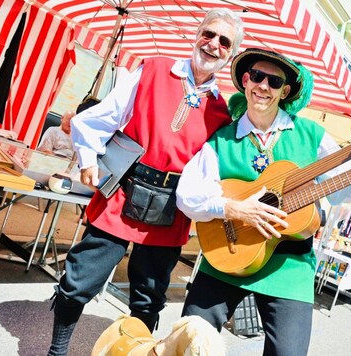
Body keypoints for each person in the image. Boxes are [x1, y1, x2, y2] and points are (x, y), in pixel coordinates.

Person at [46, 9, 244, 356]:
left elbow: (216, 172)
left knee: (148, 299)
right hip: (122, 193)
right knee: (79, 282)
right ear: (197, 34)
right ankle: (56, 352)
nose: (213, 45)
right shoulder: (153, 69)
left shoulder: (221, 112)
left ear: (231, 54)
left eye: (224, 42)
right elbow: (105, 115)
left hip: (171, 209)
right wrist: (89, 160)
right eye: (208, 34)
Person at [176, 48, 351, 355]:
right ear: (245, 81)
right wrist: (234, 208)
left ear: (285, 91)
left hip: (290, 266)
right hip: (226, 252)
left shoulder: (312, 135)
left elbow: (342, 190)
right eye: (257, 77)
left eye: (274, 81)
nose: (264, 86)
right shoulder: (222, 139)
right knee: (188, 340)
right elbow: (187, 194)